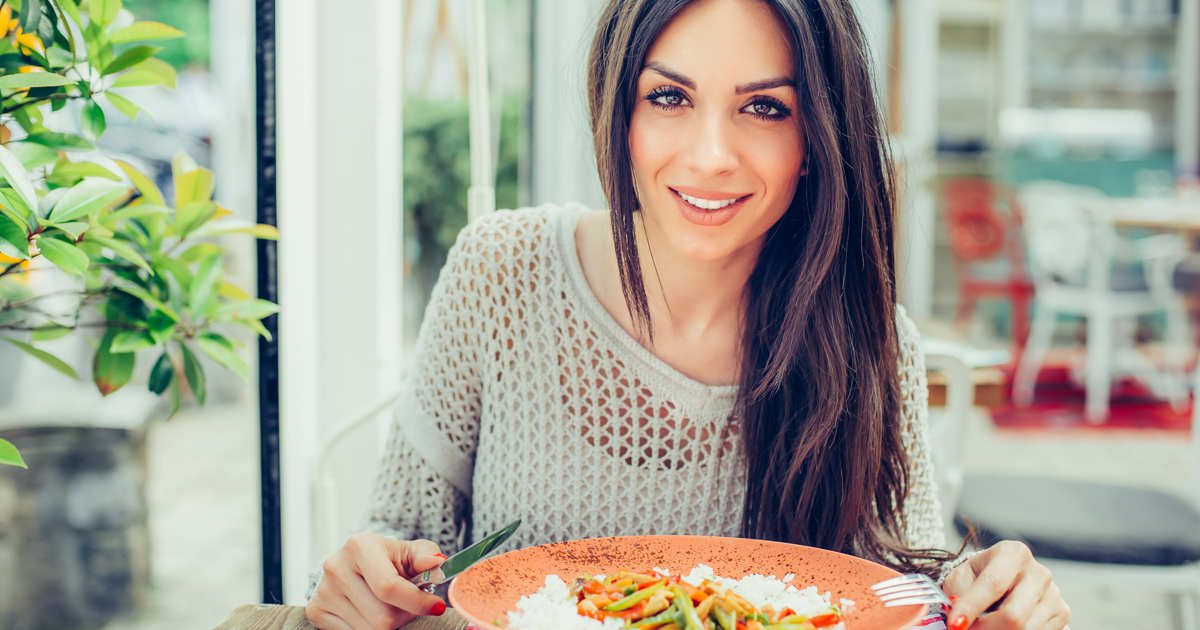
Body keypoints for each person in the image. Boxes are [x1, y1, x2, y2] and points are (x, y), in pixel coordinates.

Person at [305, 1, 1072, 629]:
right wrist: (363, 585)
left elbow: (905, 599)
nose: (711, 155)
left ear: (815, 141)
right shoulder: (500, 274)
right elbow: (401, 553)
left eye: (765, 108)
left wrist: (986, 601)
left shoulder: (870, 345)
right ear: (619, 111)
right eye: (669, 97)